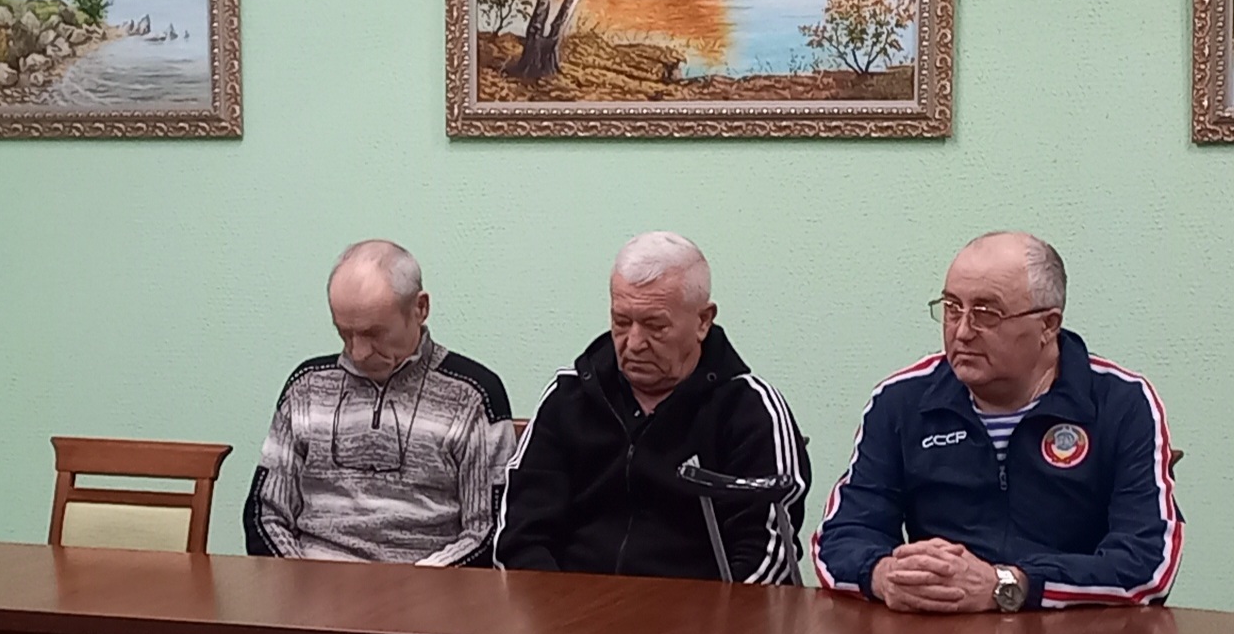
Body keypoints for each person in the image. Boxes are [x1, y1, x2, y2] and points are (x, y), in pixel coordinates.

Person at [812, 230, 1181, 613]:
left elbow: (1147, 564)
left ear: (1048, 325)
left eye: (986, 313)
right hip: (938, 632)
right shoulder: (901, 402)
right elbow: (840, 539)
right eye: (952, 308)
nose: (962, 331)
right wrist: (886, 575)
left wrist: (1008, 584)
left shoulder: (1122, 403)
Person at [493, 232, 807, 584]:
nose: (634, 343)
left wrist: (712, 617)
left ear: (703, 321)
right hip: (569, 605)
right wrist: (557, 607)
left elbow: (767, 556)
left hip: (701, 612)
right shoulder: (568, 398)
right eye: (621, 322)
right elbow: (520, 537)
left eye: (655, 326)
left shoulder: (751, 411)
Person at [245, 240, 515, 566]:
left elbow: (487, 531)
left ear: (420, 308)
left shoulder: (473, 394)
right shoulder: (307, 387)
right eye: (345, 333)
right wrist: (300, 578)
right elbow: (265, 513)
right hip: (311, 581)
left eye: (374, 333)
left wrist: (416, 586)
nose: (358, 352)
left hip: (427, 586)